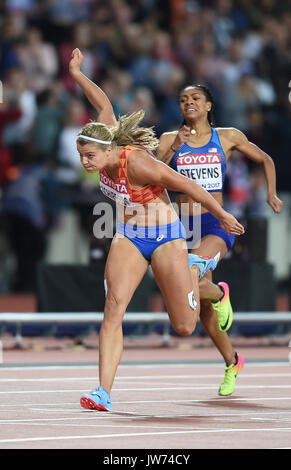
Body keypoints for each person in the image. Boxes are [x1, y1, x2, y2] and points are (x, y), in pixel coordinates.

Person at [69, 48, 244, 411]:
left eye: (90, 157)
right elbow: (101, 101)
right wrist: (76, 73)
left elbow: (189, 186)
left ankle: (213, 291)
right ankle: (103, 392)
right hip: (130, 237)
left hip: (167, 237)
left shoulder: (140, 165)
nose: (84, 163)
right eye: (81, 155)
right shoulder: (103, 133)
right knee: (113, 308)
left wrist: (223, 215)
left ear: (108, 151)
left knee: (184, 325)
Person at [156, 84, 283, 396]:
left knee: (190, 268)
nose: (189, 103)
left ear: (209, 105)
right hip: (181, 226)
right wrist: (175, 147)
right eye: (183, 99)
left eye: (195, 98)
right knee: (199, 309)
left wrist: (271, 194)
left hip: (216, 222)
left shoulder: (227, 136)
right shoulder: (168, 139)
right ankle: (232, 361)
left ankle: (220, 293)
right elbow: (154, 172)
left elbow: (265, 159)